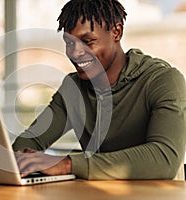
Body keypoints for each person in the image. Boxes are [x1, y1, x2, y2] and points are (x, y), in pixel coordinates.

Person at [12, 0, 186, 180]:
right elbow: (29, 141)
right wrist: (26, 158)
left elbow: (165, 158)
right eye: (70, 43)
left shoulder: (162, 80)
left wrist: (67, 164)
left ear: (116, 32)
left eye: (88, 42)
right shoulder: (73, 89)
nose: (76, 52)